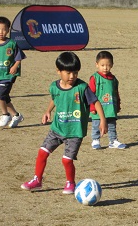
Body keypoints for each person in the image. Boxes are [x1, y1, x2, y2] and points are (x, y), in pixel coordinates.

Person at [21, 52, 107, 194]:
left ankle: (70, 183)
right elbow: (55, 99)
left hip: (74, 132)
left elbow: (96, 102)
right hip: (57, 129)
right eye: (68, 73)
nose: (72, 76)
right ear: (59, 71)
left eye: (75, 72)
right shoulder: (54, 87)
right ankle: (37, 180)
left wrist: (102, 120)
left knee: (66, 160)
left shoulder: (82, 87)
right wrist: (48, 111)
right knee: (42, 152)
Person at [0, 16, 26, 128]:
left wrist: (15, 66)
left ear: (8, 30)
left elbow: (19, 57)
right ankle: (16, 115)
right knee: (5, 97)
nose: (1, 32)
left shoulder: (12, 43)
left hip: (8, 75)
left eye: (4, 29)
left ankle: (5, 115)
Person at [89, 51, 126, 150]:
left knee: (111, 125)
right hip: (98, 109)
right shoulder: (94, 78)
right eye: (102, 65)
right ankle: (95, 140)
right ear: (97, 65)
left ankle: (113, 141)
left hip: (110, 108)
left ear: (112, 65)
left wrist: (117, 105)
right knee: (96, 125)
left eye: (108, 65)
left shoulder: (114, 79)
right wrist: (92, 107)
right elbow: (90, 94)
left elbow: (116, 93)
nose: (105, 68)